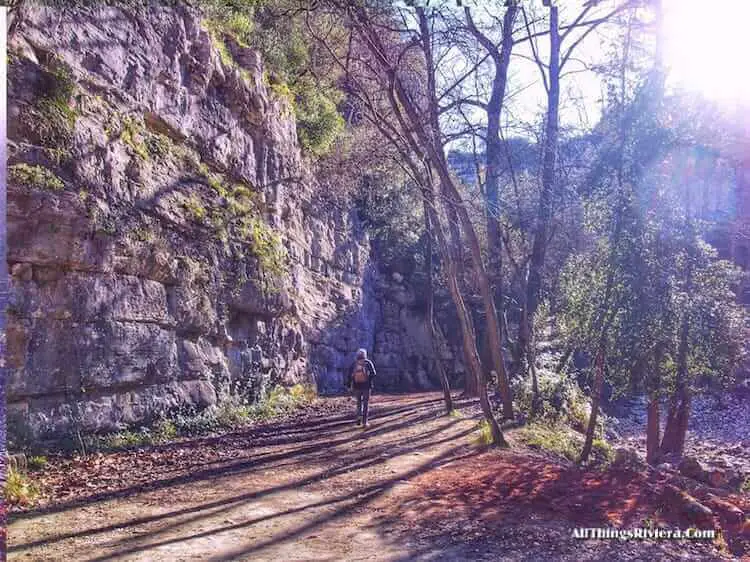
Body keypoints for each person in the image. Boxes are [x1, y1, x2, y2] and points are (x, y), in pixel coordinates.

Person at [346, 348, 377, 427]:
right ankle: (365, 422)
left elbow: (349, 375)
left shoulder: (354, 364)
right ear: (365, 355)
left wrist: (349, 385)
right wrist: (369, 380)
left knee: (359, 403)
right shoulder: (368, 363)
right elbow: (373, 374)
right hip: (366, 387)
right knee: (366, 403)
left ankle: (358, 419)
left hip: (357, 386)